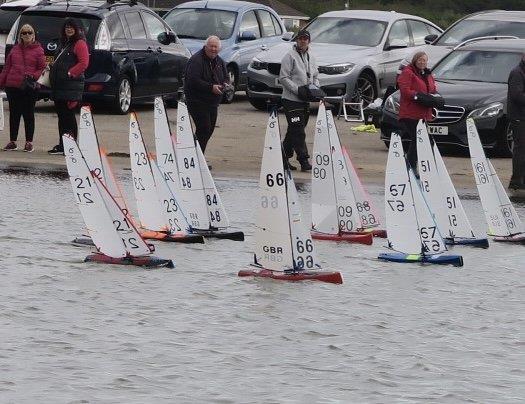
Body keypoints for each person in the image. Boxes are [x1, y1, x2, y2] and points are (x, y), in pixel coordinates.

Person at [0, 24, 46, 152]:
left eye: (29, 32)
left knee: (28, 114)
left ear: (33, 35)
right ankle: (13, 141)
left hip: (30, 87)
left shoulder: (39, 50)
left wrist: (33, 76)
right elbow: (7, 68)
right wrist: (2, 82)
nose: (26, 35)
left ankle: (29, 142)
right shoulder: (14, 49)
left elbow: (42, 68)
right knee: (14, 114)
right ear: (20, 35)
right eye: (24, 33)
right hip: (13, 86)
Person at [279, 29, 319, 172]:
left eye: (305, 39)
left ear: (309, 41)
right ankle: (304, 160)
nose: (302, 41)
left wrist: (315, 89)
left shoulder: (312, 58)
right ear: (296, 40)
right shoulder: (289, 56)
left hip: (305, 100)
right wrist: (297, 90)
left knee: (294, 130)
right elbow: (283, 78)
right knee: (298, 130)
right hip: (290, 99)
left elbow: (315, 76)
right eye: (300, 38)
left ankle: (282, 158)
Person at [47, 18, 89, 155]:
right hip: (59, 86)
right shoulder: (64, 44)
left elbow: (84, 63)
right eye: (67, 28)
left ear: (76, 29)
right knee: (61, 117)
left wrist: (70, 73)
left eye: (71, 27)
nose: (69, 30)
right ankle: (62, 144)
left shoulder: (80, 43)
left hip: (70, 87)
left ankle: (71, 145)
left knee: (68, 117)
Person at [184, 35, 229, 155]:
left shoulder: (219, 61)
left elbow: (226, 77)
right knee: (204, 129)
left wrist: (225, 84)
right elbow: (192, 80)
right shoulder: (196, 60)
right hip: (197, 101)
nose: (213, 49)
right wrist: (211, 88)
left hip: (213, 102)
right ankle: (196, 157)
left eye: (216, 47)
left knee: (209, 130)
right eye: (211, 46)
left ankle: (194, 154)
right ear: (205, 46)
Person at [397, 51, 438, 172]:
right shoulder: (407, 72)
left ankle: (424, 167)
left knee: (424, 140)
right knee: (417, 139)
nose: (422, 62)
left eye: (424, 60)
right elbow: (404, 90)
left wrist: (436, 98)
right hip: (410, 114)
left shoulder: (427, 74)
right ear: (415, 60)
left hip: (423, 113)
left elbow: (433, 89)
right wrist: (418, 96)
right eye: (420, 60)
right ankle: (410, 167)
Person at [507, 54, 525, 190]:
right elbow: (517, 95)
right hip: (519, 117)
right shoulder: (517, 73)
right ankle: (516, 181)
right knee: (520, 148)